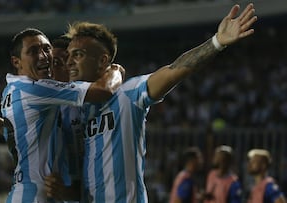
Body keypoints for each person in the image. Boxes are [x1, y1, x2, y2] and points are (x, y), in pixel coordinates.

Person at [44, 3, 257, 202]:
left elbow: (174, 71)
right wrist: (65, 191)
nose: (70, 61)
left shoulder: (128, 94)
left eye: (78, 54)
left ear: (102, 60)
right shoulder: (73, 112)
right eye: (69, 56)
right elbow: (85, 185)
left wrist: (217, 42)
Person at [0, 28, 123, 203]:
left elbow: (20, 133)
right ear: (16, 62)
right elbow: (105, 89)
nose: (45, 57)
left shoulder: (14, 90)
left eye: (47, 50)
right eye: (34, 51)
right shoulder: (40, 89)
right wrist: (115, 70)